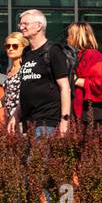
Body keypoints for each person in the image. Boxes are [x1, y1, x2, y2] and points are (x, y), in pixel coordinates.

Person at [11, 9, 71, 138]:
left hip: (47, 122)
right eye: (20, 24)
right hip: (28, 122)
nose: (21, 27)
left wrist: (64, 121)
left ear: (39, 26)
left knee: (36, 158)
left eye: (25, 24)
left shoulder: (53, 51)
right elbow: (26, 87)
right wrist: (16, 115)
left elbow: (65, 87)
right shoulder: (26, 53)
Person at [67, 21, 102, 127]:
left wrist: (75, 80)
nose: (67, 38)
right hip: (78, 114)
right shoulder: (74, 56)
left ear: (77, 36)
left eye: (70, 35)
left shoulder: (93, 55)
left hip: (90, 115)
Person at [0, 31, 27, 126]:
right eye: (7, 46)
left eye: (15, 46)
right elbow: (10, 95)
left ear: (24, 47)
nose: (10, 49)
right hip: (10, 119)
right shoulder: (10, 69)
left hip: (22, 120)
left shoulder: (25, 68)